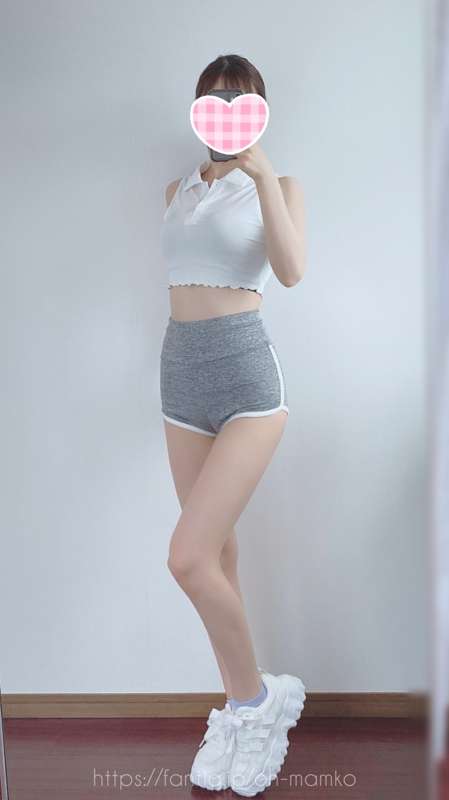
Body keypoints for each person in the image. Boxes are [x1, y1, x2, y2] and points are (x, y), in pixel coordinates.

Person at [159, 53, 307, 797]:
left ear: (258, 110)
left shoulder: (279, 185)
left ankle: (257, 702)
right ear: (198, 109)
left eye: (240, 101)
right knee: (217, 554)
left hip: (247, 377)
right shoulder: (175, 190)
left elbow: (291, 270)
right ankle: (239, 706)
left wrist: (263, 175)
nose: (225, 111)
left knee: (186, 559)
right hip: (180, 376)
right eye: (213, 100)